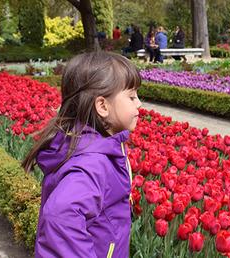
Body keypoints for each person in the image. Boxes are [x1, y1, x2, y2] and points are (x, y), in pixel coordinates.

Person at [22, 51, 142, 258]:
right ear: (102, 106)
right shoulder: (92, 164)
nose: (139, 103)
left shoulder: (99, 147)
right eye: (131, 96)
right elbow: (60, 215)